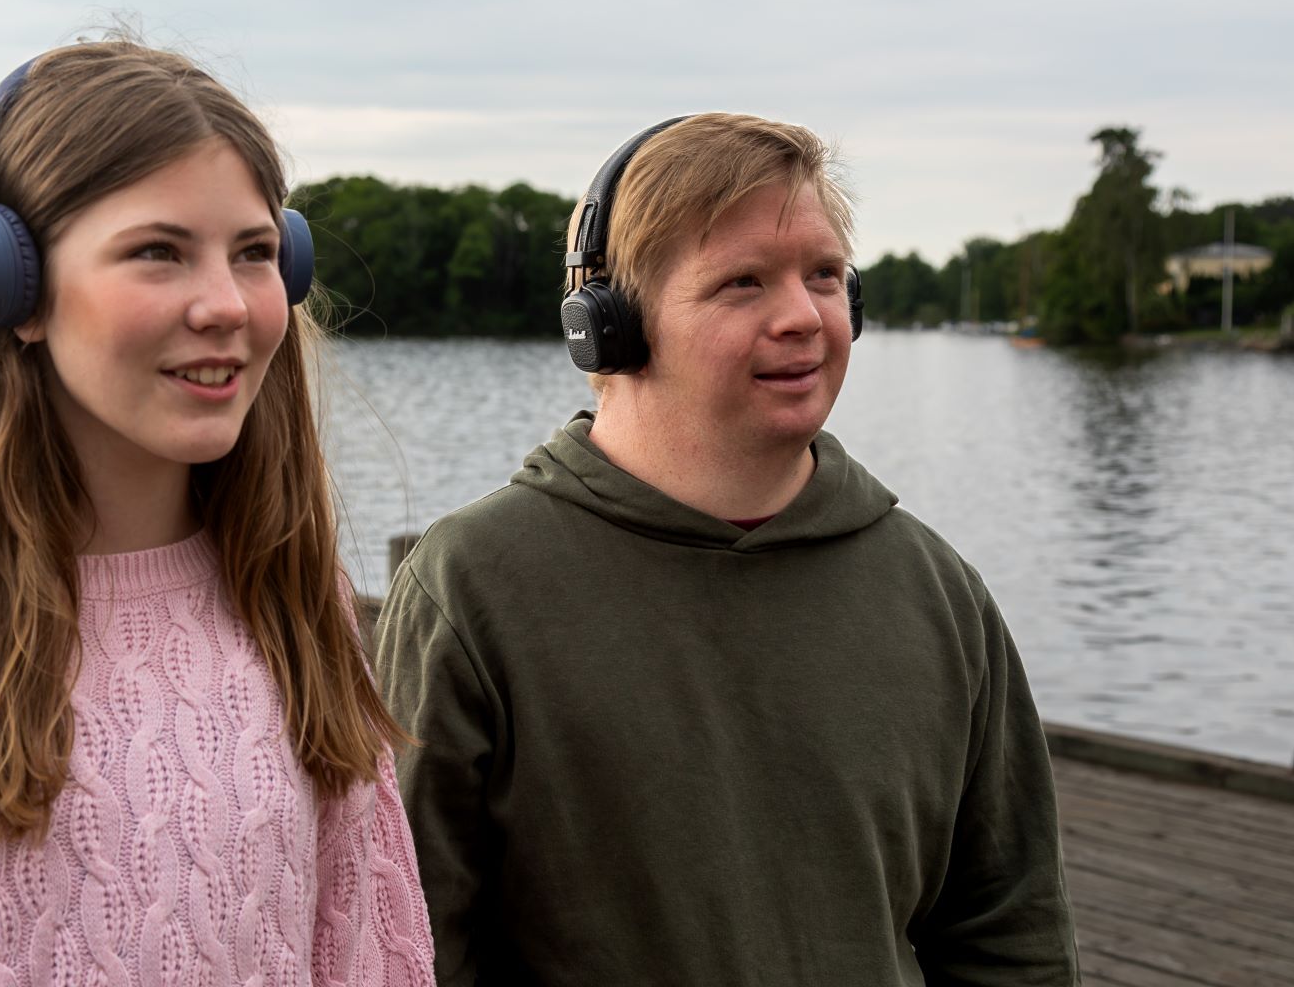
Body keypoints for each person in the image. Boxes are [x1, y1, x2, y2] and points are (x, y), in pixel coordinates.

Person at [0, 41, 434, 987]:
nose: (227, 305)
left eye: (255, 253)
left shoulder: (297, 595)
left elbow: (371, 956)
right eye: (158, 252)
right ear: (9, 287)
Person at [374, 113, 1078, 985]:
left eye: (824, 276)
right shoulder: (473, 589)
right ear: (609, 326)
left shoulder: (937, 591)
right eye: (743, 283)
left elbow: (1011, 940)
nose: (804, 317)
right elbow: (409, 950)